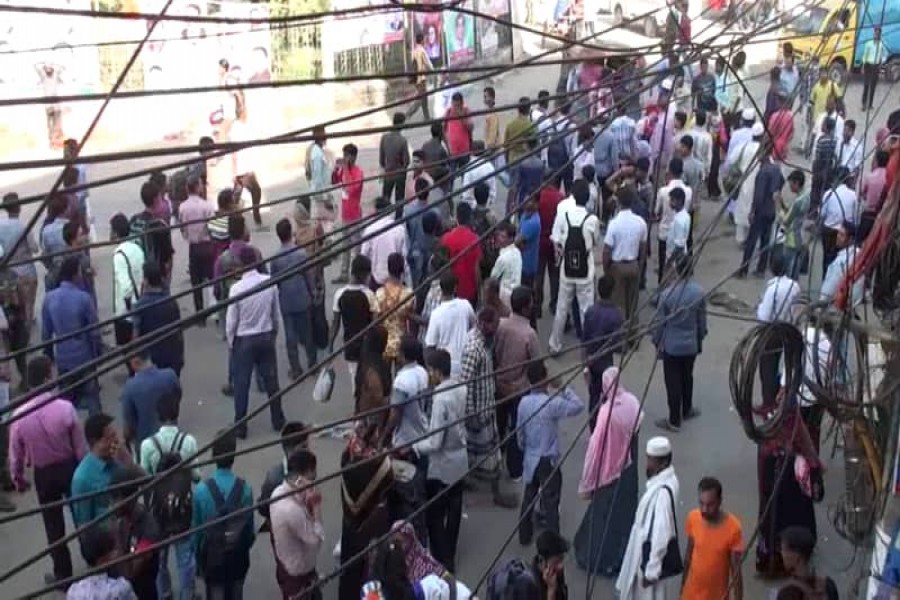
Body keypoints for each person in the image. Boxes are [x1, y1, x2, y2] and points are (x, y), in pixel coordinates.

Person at [10, 356, 88, 586]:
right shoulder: (65, 408)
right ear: (47, 378)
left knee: (53, 526)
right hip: (69, 467)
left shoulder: (19, 416)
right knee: (81, 515)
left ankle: (63, 575)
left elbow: (15, 454)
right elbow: (80, 445)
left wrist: (18, 478)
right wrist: (84, 469)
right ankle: (94, 558)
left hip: (43, 473)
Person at [574, 367, 643, 577]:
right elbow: (638, 423)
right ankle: (622, 556)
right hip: (628, 467)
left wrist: (588, 479)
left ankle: (600, 559)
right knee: (624, 514)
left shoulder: (607, 412)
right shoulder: (631, 401)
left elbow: (595, 447)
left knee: (604, 518)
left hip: (609, 471)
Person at [139, 390, 200, 600]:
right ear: (177, 414)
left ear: (157, 415)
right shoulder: (188, 441)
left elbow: (144, 479)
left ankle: (164, 593)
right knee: (185, 558)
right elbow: (196, 476)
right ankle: (187, 595)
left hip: (157, 510)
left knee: (160, 559)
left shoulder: (148, 445)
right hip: (182, 509)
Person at [517, 360, 585, 545]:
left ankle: (524, 535)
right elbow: (578, 406)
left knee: (529, 497)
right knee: (551, 502)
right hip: (548, 459)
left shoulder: (523, 403)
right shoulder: (551, 403)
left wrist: (526, 450)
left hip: (531, 458)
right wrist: (563, 387)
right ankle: (553, 542)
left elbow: (520, 434)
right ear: (544, 379)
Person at [413, 348, 467, 571]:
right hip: (460, 458)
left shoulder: (441, 399)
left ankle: (442, 560)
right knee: (454, 510)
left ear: (436, 371)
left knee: (435, 516)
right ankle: (449, 554)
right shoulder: (461, 387)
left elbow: (435, 442)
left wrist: (415, 446)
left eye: (430, 370)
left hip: (443, 464)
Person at [226, 246, 285, 438]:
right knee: (271, 381)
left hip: (244, 339)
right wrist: (274, 332)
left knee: (241, 384)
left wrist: (231, 342)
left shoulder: (236, 288)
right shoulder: (269, 282)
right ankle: (278, 419)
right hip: (265, 335)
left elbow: (231, 321)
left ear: (240, 265)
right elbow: (275, 313)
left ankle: (241, 425)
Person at [193, 431, 256, 600]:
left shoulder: (201, 491)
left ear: (214, 456)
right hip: (237, 556)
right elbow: (249, 531)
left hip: (213, 559)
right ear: (234, 455)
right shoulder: (245, 489)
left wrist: (200, 561)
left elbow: (197, 534)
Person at [338, 413, 394, 600]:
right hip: (371, 524)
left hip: (350, 523)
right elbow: (389, 480)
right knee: (369, 570)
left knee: (349, 567)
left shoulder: (347, 455)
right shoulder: (380, 465)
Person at [617, 436, 681, 599]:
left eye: (651, 461)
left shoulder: (662, 493)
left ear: (663, 463)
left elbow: (662, 534)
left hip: (648, 560)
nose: (648, 465)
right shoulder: (666, 481)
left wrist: (651, 572)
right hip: (643, 553)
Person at [42, 256, 103, 415]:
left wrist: (49, 356)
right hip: (84, 357)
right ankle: (97, 429)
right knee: (92, 399)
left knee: (66, 403)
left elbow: (46, 333)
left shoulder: (49, 298)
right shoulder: (84, 298)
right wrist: (98, 352)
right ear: (75, 275)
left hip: (63, 358)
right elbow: (94, 331)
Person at [653, 255, 706, 432]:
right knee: (687, 376)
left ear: (676, 270)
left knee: (673, 382)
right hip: (690, 344)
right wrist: (700, 338)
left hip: (672, 345)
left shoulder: (667, 294)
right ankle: (687, 409)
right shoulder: (698, 292)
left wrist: (657, 342)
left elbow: (660, 323)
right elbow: (701, 321)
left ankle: (674, 420)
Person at [548, 180, 601, 354]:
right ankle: (588, 347)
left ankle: (555, 344)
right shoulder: (592, 219)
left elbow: (555, 238)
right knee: (586, 309)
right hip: (585, 269)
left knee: (562, 308)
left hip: (567, 268)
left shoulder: (564, 216)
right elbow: (595, 241)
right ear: (587, 198)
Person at [494, 286, 540, 483]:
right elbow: (536, 363)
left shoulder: (500, 325)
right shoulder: (529, 334)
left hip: (499, 384)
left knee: (498, 424)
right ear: (525, 308)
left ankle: (496, 461)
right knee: (515, 429)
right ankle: (514, 470)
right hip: (519, 388)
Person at [270, 448, 325, 600]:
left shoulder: (277, 492)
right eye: (312, 478)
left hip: (286, 564)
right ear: (302, 477)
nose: (313, 483)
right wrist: (316, 506)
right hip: (299, 575)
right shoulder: (292, 510)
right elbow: (316, 539)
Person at [681, 477, 744, 600]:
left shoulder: (733, 528)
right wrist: (682, 588)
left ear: (720, 501)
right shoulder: (693, 518)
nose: (704, 509)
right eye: (701, 503)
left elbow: (736, 573)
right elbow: (688, 557)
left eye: (710, 504)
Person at [270, 218, 316, 380]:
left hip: (286, 300)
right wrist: (312, 292)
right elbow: (308, 275)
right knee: (307, 332)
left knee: (290, 336)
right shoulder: (301, 253)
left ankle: (296, 368)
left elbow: (274, 280)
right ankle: (312, 363)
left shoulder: (276, 258)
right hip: (302, 297)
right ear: (291, 233)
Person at [602, 188, 647, 349]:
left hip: (618, 266)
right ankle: (633, 338)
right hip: (633, 265)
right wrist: (639, 265)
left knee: (619, 305)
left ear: (619, 203)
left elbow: (606, 250)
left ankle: (620, 342)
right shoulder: (640, 222)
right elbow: (643, 248)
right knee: (633, 304)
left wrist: (606, 269)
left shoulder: (614, 224)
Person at [108, 467, 162, 599]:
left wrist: (117, 537)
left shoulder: (149, 530)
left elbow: (130, 574)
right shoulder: (122, 520)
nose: (111, 505)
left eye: (116, 499)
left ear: (132, 497)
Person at [119, 351, 180, 462]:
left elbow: (129, 422)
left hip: (146, 445)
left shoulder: (130, 388)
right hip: (173, 439)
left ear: (135, 362)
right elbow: (177, 396)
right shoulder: (170, 376)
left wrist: (126, 439)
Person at [330, 255, 380, 388]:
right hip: (367, 346)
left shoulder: (340, 294)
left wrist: (330, 346)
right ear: (363, 275)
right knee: (367, 380)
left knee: (354, 377)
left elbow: (335, 325)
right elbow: (375, 324)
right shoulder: (369, 295)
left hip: (350, 344)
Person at [582, 276, 624, 423]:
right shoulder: (616, 315)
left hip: (591, 360)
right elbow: (618, 345)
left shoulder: (590, 311)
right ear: (612, 292)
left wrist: (585, 363)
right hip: (606, 362)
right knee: (608, 396)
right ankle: (605, 426)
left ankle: (594, 426)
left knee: (593, 396)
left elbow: (584, 339)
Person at [70, 413, 124, 529]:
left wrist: (126, 459)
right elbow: (84, 525)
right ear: (96, 442)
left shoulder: (118, 461)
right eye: (111, 437)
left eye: (115, 435)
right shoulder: (82, 479)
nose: (116, 441)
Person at [132, 261, 185, 377]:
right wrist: (180, 357)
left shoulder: (140, 306)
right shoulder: (171, 302)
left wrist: (135, 357)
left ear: (146, 281)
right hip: (172, 359)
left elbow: (136, 337)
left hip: (151, 362)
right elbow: (179, 333)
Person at [258, 422, 311, 530]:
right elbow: (263, 507)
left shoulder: (308, 467)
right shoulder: (275, 478)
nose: (309, 450)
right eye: (305, 447)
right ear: (292, 450)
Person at [739, 149, 783, 278]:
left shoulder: (762, 172)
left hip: (761, 211)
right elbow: (781, 182)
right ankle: (761, 269)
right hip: (771, 210)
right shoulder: (776, 168)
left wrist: (753, 211)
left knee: (751, 241)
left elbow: (758, 196)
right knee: (766, 240)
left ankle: (743, 269)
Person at [178, 173, 216, 319]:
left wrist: (188, 236)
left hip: (193, 246)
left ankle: (200, 313)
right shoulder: (207, 205)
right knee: (212, 278)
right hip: (207, 244)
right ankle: (214, 309)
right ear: (197, 187)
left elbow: (182, 228)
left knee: (196, 282)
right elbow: (212, 225)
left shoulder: (183, 207)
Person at [424, 272, 476, 376]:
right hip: (465, 361)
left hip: (445, 366)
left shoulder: (436, 313)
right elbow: (474, 327)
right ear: (455, 288)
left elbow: (430, 345)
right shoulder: (466, 305)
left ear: (440, 289)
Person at [65, 526, 138, 600]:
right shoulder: (120, 588)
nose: (116, 553)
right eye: (113, 550)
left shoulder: (74, 591)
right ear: (103, 559)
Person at [0, 194, 40, 323]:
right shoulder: (23, 226)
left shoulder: (1, 226)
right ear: (19, 207)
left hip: (7, 273)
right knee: (28, 305)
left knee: (13, 305)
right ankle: (28, 324)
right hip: (26, 271)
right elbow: (34, 248)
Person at [110, 213, 145, 354]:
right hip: (140, 302)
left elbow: (126, 287)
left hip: (125, 312)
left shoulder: (119, 255)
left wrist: (129, 307)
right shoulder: (137, 248)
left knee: (128, 353)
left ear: (115, 232)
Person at [654, 158, 692, 283]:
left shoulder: (663, 191)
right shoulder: (688, 191)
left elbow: (656, 211)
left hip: (666, 234)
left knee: (665, 268)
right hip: (674, 236)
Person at [130, 181, 175, 283]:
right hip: (157, 276)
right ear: (156, 199)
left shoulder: (134, 220)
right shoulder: (159, 225)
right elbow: (168, 257)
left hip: (139, 273)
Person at [333, 143, 365, 283]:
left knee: (356, 248)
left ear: (353, 157)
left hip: (354, 216)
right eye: (344, 155)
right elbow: (334, 181)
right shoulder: (344, 170)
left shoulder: (358, 172)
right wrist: (336, 169)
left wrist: (345, 169)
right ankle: (344, 273)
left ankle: (357, 275)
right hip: (345, 215)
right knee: (344, 246)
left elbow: (351, 189)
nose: (345, 158)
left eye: (347, 155)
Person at [440, 203, 482, 308]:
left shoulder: (446, 238)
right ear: (470, 218)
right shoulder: (475, 239)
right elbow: (476, 270)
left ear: (456, 217)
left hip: (450, 290)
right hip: (469, 291)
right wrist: (479, 291)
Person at [362, 196, 409, 289]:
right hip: (396, 278)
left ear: (376, 210)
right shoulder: (399, 229)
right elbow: (404, 254)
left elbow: (364, 254)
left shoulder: (370, 229)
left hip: (377, 278)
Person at [779, 526, 838, 599]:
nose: (781, 553)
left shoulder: (787, 593)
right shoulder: (828, 585)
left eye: (783, 549)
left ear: (796, 555)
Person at [536, 175, 565, 317]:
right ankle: (554, 304)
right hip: (555, 241)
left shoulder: (538, 196)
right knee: (555, 275)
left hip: (540, 241)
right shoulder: (560, 198)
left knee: (539, 275)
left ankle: (537, 306)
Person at [820, 167, 858, 272]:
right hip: (844, 232)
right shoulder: (853, 195)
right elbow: (854, 218)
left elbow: (822, 214)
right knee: (841, 261)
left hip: (829, 231)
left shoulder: (829, 193)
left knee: (826, 260)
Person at [821, 220, 864, 309]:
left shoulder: (841, 261)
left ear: (851, 239)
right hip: (852, 306)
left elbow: (828, 291)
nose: (837, 237)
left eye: (842, 235)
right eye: (838, 233)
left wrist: (820, 304)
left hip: (835, 307)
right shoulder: (859, 254)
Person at [776, 170, 810, 279]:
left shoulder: (797, 202)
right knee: (796, 266)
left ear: (796, 183)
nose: (790, 187)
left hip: (792, 238)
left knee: (788, 268)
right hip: (802, 237)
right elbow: (793, 213)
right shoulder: (806, 196)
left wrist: (778, 206)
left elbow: (786, 220)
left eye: (791, 184)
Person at [380, 113, 411, 204]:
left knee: (385, 198)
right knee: (399, 200)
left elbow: (381, 160)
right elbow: (406, 161)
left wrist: (387, 166)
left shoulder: (384, 138)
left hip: (388, 172)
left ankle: (385, 212)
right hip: (399, 173)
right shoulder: (402, 140)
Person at [531, 528, 571, 600]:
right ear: (542, 560)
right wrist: (551, 590)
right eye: (556, 562)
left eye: (562, 559)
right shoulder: (530, 587)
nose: (561, 566)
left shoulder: (555, 570)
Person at [491, 221, 523, 307]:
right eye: (499, 235)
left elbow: (493, 277)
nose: (499, 239)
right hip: (516, 293)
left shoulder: (503, 258)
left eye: (503, 237)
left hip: (505, 297)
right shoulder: (517, 252)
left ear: (511, 239)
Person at [518, 195, 542, 298]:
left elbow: (517, 241)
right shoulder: (525, 215)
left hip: (528, 265)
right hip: (521, 262)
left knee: (525, 293)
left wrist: (519, 242)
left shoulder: (534, 222)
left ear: (536, 204)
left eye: (530, 200)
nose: (526, 202)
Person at [444, 92, 474, 170]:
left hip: (464, 150)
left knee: (465, 173)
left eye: (458, 105)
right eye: (454, 105)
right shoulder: (448, 112)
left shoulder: (466, 111)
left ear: (462, 103)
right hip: (452, 151)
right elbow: (443, 129)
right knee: (452, 174)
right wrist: (447, 145)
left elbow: (471, 127)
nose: (455, 108)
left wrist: (462, 117)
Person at [406, 33, 433, 120]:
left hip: (416, 79)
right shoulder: (422, 51)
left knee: (423, 98)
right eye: (424, 39)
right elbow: (428, 63)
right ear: (421, 40)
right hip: (421, 78)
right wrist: (432, 70)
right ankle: (408, 114)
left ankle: (426, 117)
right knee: (421, 99)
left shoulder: (414, 51)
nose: (425, 40)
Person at [861, 26, 888, 111]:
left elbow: (885, 54)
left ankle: (870, 104)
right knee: (866, 85)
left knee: (873, 86)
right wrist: (863, 66)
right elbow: (865, 55)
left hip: (876, 67)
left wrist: (881, 62)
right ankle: (864, 104)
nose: (876, 35)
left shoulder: (881, 44)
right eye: (875, 33)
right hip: (868, 66)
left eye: (878, 34)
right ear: (874, 33)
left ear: (880, 35)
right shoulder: (868, 44)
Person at [664, 187, 690, 267]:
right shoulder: (684, 215)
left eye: (672, 200)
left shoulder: (679, 220)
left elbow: (679, 246)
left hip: (676, 260)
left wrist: (669, 261)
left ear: (679, 201)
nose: (670, 202)